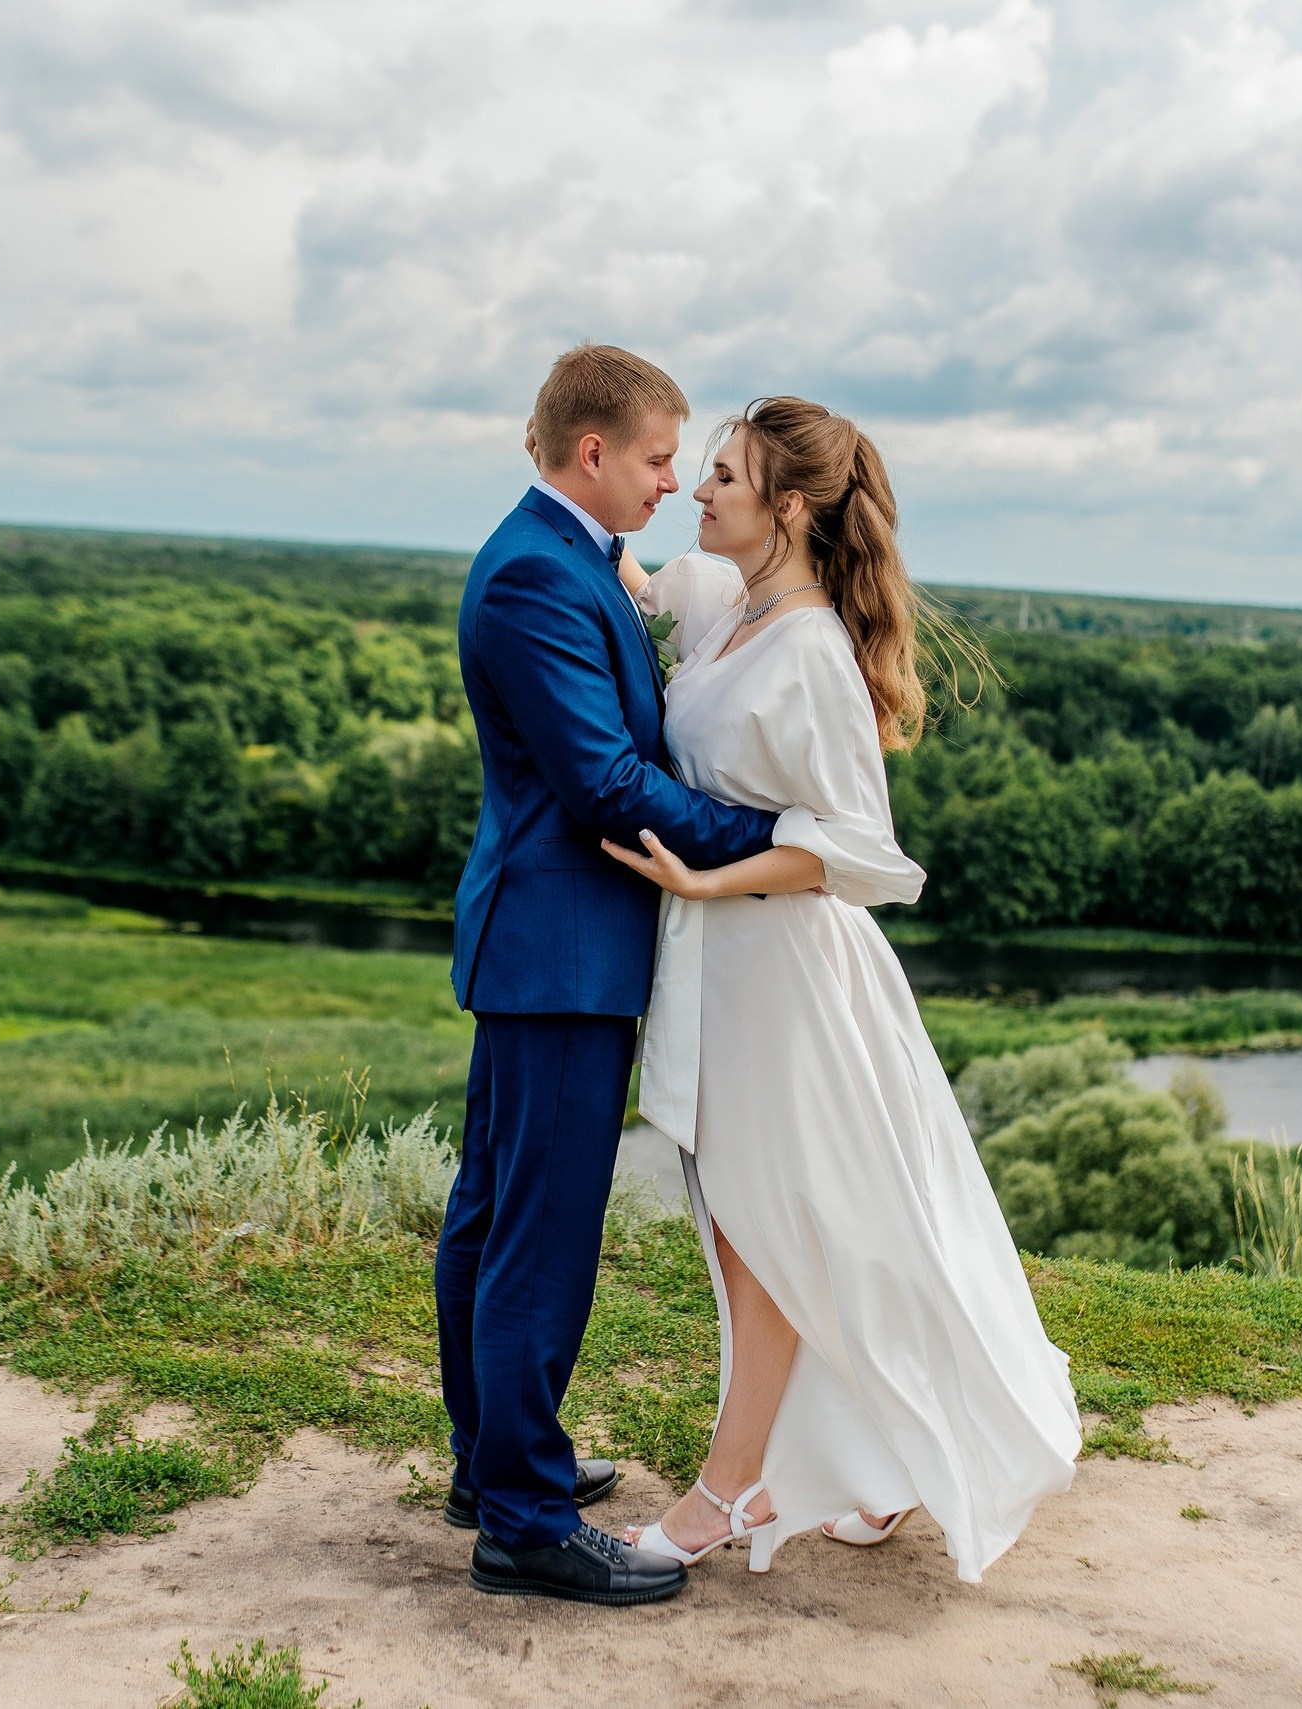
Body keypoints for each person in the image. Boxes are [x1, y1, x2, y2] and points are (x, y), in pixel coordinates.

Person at [602, 396, 1081, 1582]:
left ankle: (726, 1490)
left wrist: (711, 880)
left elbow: (862, 849)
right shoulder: (724, 603)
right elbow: (617, 560)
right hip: (729, 971)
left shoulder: (813, 650)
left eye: (721, 478)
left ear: (790, 505)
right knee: (752, 1225)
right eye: (696, 471)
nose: (697, 492)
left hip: (789, 974)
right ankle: (878, 1459)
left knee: (763, 1231)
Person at [439, 344, 779, 1607]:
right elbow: (604, 786)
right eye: (654, 456)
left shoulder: (568, 556)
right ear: (594, 453)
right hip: (559, 949)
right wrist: (777, 844)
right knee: (538, 1231)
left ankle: (493, 1464)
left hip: (547, 944)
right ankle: (520, 1520)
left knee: (493, 1211)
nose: (670, 478)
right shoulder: (536, 573)